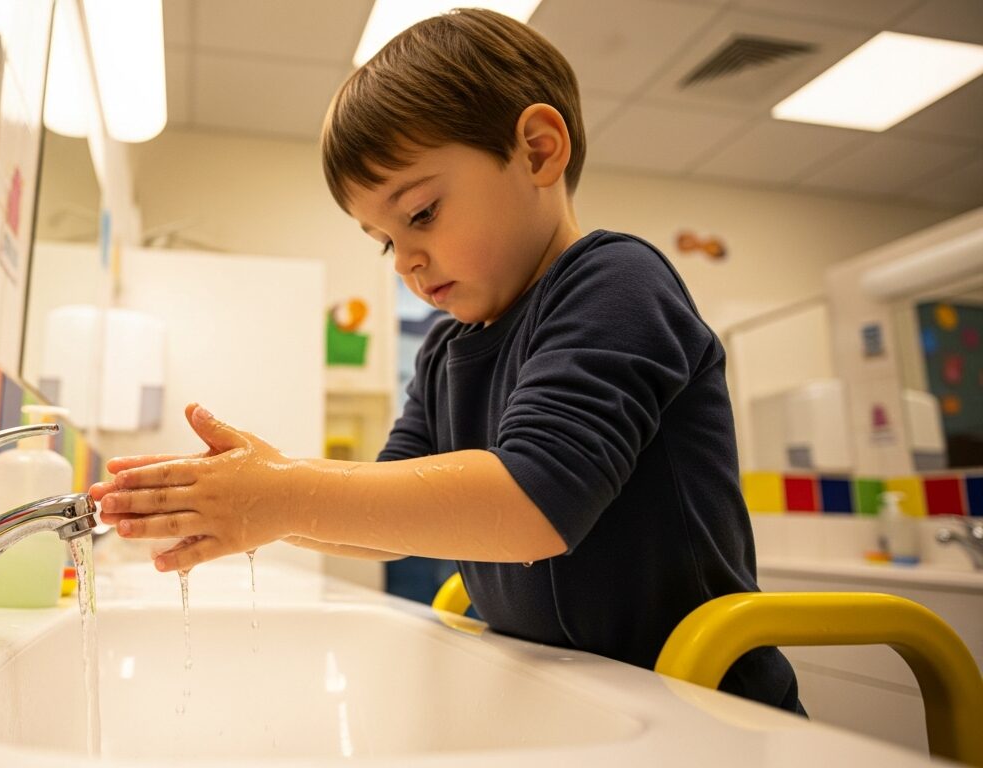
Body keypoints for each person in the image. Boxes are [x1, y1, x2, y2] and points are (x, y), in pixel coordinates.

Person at [89, 8, 803, 714]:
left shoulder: (616, 284)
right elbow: (385, 509)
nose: (406, 260)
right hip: (574, 696)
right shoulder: (445, 353)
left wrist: (280, 491)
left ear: (538, 150)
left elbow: (532, 502)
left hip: (700, 703)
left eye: (421, 213)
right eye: (382, 239)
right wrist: (252, 508)